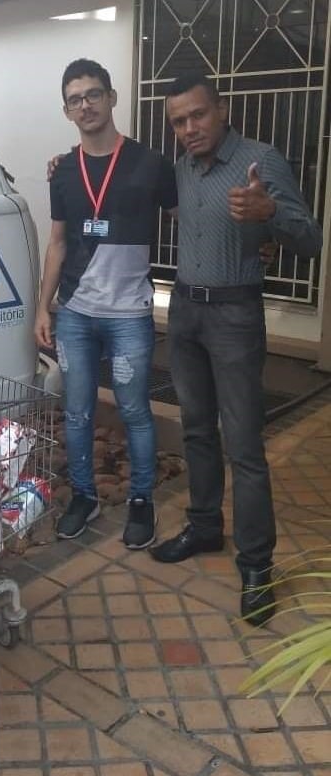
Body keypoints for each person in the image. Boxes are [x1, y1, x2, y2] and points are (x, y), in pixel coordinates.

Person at [150, 73, 323, 627]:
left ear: (220, 110)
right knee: (197, 429)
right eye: (179, 121)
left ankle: (256, 566)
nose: (189, 128)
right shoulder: (180, 169)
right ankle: (204, 526)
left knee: (244, 446)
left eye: (198, 115)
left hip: (235, 315)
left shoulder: (260, 160)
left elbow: (312, 239)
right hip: (185, 313)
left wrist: (269, 213)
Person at [34, 58, 177, 547]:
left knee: (136, 411)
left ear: (112, 98)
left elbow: (188, 216)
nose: (86, 105)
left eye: (94, 94)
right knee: (76, 414)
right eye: (76, 99)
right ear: (67, 110)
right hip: (75, 313)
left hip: (130, 314)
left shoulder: (151, 164)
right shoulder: (63, 171)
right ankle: (84, 497)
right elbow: (57, 242)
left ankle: (141, 501)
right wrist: (42, 307)